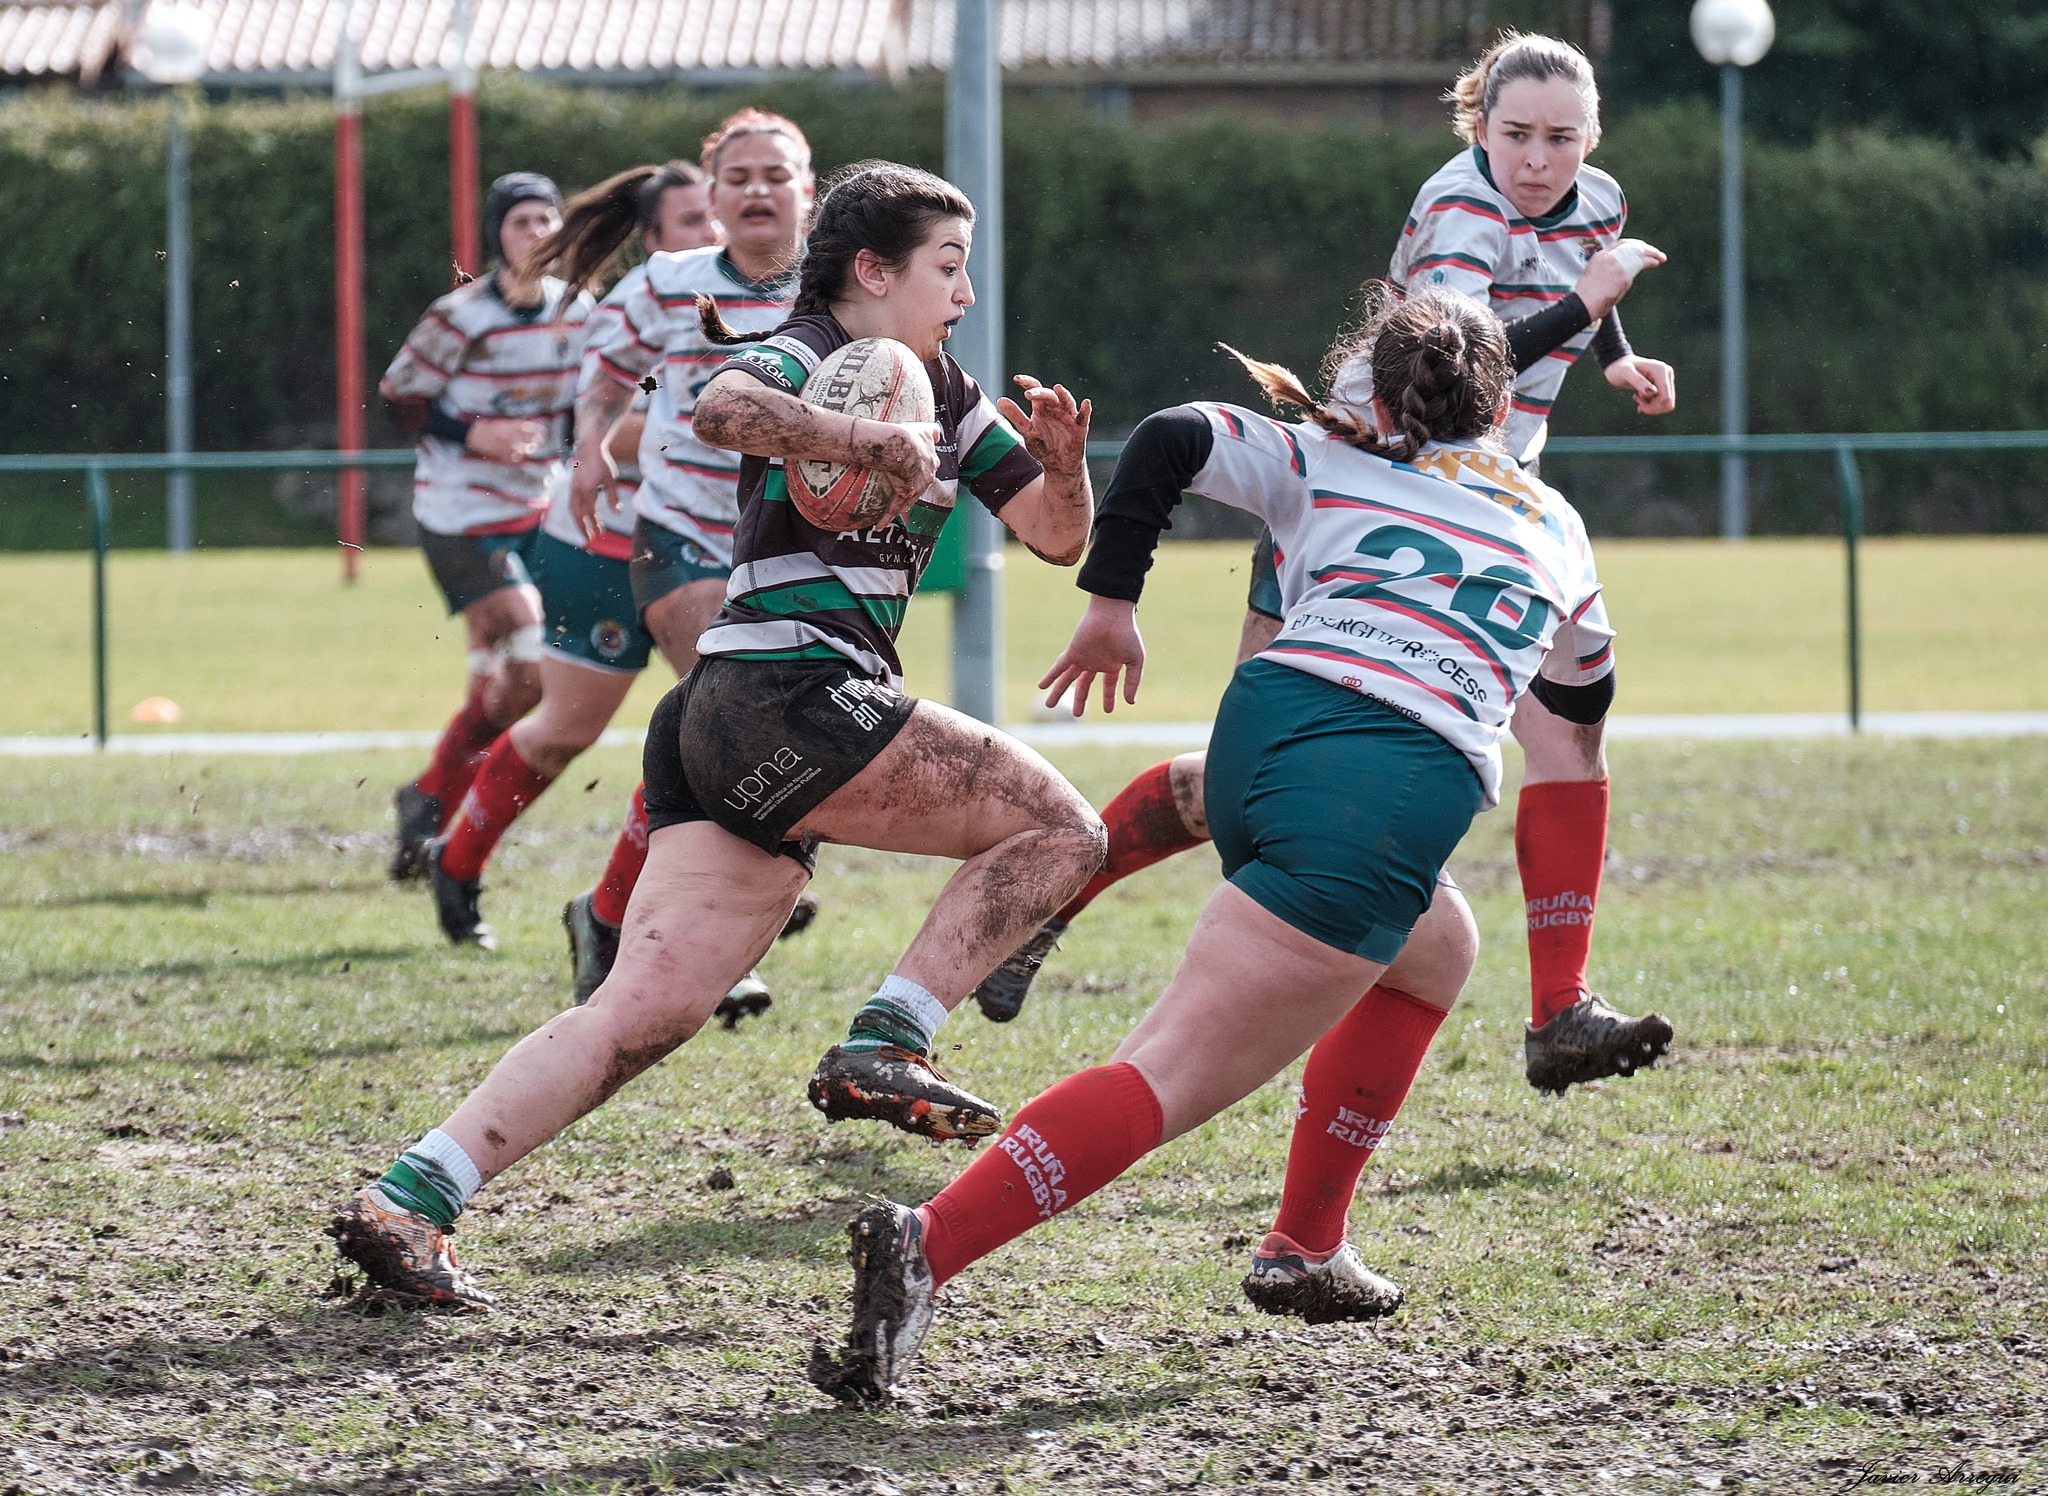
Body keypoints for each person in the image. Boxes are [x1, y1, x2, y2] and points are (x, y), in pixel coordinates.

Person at [812, 285, 1620, 1401]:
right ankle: (925, 1246)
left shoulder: (1328, 457)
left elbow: (1170, 435)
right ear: (1501, 407)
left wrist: (1110, 599)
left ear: (1378, 394)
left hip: (1251, 751)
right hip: (1369, 795)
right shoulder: (1555, 523)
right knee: (1167, 1073)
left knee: (1433, 946)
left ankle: (1306, 1243)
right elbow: (1579, 714)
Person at [328, 161, 1103, 1312]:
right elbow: (718, 407)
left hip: (718, 718)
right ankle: (887, 1038)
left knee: (643, 1013)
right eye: (949, 265)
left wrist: (1065, 465)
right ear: (873, 270)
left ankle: (414, 1194)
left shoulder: (943, 386)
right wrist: (861, 436)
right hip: (790, 687)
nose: (967, 291)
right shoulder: (806, 345)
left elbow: (1050, 536)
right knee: (1061, 830)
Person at [970, 32, 1675, 1098]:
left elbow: (1587, 273)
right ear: (1477, 125)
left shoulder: (1595, 198)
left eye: (1561, 139)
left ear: (1592, 137)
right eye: (1516, 134)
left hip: (1490, 504)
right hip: (1366, 483)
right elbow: (1468, 349)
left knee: (1570, 736)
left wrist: (1614, 353)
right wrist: (1585, 304)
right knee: (1244, 776)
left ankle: (1557, 1009)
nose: (1537, 159)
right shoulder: (1458, 209)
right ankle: (1052, 894)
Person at [544, 112, 820, 1007]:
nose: (755, 189)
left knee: (741, 745)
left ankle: (610, 912)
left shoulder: (843, 291)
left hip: (787, 547)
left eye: (774, 174)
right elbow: (607, 367)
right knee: (733, 721)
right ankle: (702, 945)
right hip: (681, 535)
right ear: (711, 196)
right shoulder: (670, 282)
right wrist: (592, 446)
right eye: (736, 175)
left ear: (807, 192)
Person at [382, 173, 594, 883]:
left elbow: (585, 405)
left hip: (540, 508)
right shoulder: (461, 315)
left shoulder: (580, 309)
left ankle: (426, 802)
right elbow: (399, 397)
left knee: (509, 683)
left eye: (545, 220)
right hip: (460, 514)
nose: (534, 233)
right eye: (519, 222)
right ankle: (445, 800)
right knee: (532, 662)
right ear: (498, 236)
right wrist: (477, 433)